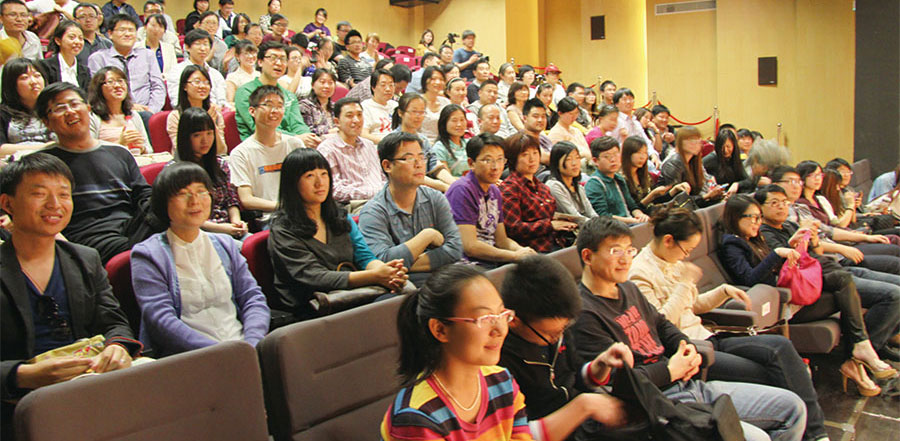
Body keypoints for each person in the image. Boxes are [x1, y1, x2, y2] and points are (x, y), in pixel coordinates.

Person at [571, 216, 807, 441]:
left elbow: (661, 324)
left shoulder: (627, 288)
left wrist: (686, 347)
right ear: (588, 256)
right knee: (757, 437)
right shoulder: (584, 313)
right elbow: (618, 384)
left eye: (629, 250)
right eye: (616, 251)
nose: (625, 259)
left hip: (688, 383)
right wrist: (669, 371)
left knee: (793, 407)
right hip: (659, 403)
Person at [631, 205, 830, 440]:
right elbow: (660, 324)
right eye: (687, 250)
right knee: (771, 373)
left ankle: (816, 433)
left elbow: (692, 305)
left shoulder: (672, 260)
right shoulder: (640, 273)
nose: (686, 256)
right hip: (691, 348)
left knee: (781, 346)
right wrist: (684, 283)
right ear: (668, 241)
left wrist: (723, 291)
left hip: (708, 335)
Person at [0, 153, 142, 441]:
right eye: (40, 194)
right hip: (17, 404)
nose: (55, 204)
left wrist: (117, 347)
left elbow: (114, 322)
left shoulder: (85, 259)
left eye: (64, 194)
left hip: (88, 388)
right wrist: (22, 375)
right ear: (7, 203)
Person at [754, 185, 899, 390]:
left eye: (784, 202)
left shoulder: (788, 225)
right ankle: (859, 355)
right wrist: (794, 244)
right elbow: (787, 267)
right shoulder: (765, 233)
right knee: (893, 295)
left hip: (836, 270)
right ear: (760, 208)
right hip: (823, 280)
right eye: (774, 203)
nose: (781, 207)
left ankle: (869, 350)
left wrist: (813, 241)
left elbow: (817, 253)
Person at [381, 265, 538, 441]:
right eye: (485, 319)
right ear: (440, 330)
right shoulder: (416, 417)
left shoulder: (502, 381)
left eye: (501, 314)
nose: (500, 330)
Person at [499, 255, 647, 440]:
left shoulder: (558, 331)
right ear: (514, 320)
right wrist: (582, 407)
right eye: (551, 334)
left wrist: (600, 364)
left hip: (581, 426)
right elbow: (512, 435)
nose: (558, 338)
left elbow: (573, 378)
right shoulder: (499, 362)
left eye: (563, 329)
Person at [129, 162, 268, 357]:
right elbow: (161, 320)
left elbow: (252, 298)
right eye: (183, 194)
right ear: (164, 203)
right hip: (189, 357)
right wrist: (221, 353)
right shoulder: (148, 255)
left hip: (242, 348)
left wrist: (252, 343)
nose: (195, 201)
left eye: (201, 192)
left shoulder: (226, 244)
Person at [267, 148, 408, 319]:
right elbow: (315, 277)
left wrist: (387, 272)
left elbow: (364, 256)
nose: (320, 183)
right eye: (309, 176)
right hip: (310, 308)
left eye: (324, 174)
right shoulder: (283, 230)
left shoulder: (339, 216)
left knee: (405, 295)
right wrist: (374, 276)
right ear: (292, 183)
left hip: (352, 295)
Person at [38, 82, 159, 264]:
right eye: (60, 108)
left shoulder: (119, 153)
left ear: (88, 109)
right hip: (86, 236)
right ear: (46, 122)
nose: (70, 111)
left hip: (131, 228)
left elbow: (143, 195)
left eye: (74, 104)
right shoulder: (43, 164)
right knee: (153, 247)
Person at [358, 132, 462, 286]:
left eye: (421, 157)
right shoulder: (373, 212)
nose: (419, 164)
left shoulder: (435, 198)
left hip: (440, 275)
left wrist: (405, 263)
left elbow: (455, 249)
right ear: (387, 166)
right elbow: (383, 263)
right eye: (409, 158)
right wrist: (427, 235)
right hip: (405, 283)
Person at [446, 133, 536, 267]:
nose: (495, 167)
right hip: (465, 264)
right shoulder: (462, 190)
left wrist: (522, 251)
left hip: (491, 260)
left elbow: (501, 240)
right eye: (488, 160)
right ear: (471, 163)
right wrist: (514, 256)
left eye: (500, 159)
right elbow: (470, 246)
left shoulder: (494, 191)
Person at [230, 85, 306, 219]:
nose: (275, 111)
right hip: (270, 217)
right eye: (268, 105)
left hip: (300, 212)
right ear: (252, 111)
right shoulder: (240, 153)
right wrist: (284, 206)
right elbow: (246, 199)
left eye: (279, 106)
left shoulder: (295, 144)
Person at [171, 107, 245, 238]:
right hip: (199, 233)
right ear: (185, 137)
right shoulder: (176, 172)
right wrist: (223, 229)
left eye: (209, 133)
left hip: (229, 227)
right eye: (197, 135)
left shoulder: (220, 164)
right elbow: (185, 216)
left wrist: (237, 222)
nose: (205, 140)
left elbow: (231, 200)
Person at [500, 132, 577, 253]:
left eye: (535, 153)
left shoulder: (542, 187)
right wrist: (550, 225)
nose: (532, 159)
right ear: (513, 159)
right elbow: (513, 228)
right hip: (533, 251)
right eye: (525, 155)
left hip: (557, 245)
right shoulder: (509, 188)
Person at [234, 41, 318, 146]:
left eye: (283, 59)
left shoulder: (289, 95)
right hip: (259, 147)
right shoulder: (246, 92)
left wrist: (308, 137)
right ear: (260, 62)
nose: (278, 63)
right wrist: (296, 139)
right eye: (273, 58)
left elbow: (298, 124)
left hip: (290, 147)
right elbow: (260, 128)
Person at [88, 14, 164, 113]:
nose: (127, 34)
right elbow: (98, 92)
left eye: (131, 30)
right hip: (114, 112)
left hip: (146, 111)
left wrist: (151, 110)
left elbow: (158, 87)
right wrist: (128, 108)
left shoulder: (147, 55)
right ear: (110, 34)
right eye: (122, 30)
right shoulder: (98, 58)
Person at [316, 97, 386, 205]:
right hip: (354, 205)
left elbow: (383, 177)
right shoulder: (327, 149)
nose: (356, 120)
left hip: (381, 200)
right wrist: (372, 193)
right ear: (337, 122)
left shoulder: (369, 145)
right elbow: (334, 189)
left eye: (359, 115)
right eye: (350, 116)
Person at [584, 136, 650, 224]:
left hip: (630, 223)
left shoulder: (619, 179)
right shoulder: (594, 184)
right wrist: (632, 221)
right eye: (607, 156)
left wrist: (640, 215)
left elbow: (632, 206)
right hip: (613, 228)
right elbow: (602, 216)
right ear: (595, 161)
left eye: (615, 154)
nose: (613, 159)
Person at [391, 92, 448, 193]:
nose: (418, 116)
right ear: (400, 113)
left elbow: (434, 165)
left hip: (428, 187)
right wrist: (444, 186)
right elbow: (411, 173)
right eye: (414, 112)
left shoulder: (423, 139)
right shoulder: (393, 140)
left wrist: (454, 184)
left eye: (422, 112)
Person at [87, 66, 150, 154]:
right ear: (99, 88)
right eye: (110, 82)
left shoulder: (133, 115)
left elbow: (149, 149)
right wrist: (120, 144)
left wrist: (142, 148)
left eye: (120, 81)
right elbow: (91, 153)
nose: (117, 86)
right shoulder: (92, 118)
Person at [166, 64, 227, 155]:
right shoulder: (176, 116)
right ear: (184, 86)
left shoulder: (214, 113)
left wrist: (213, 124)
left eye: (206, 82)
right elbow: (181, 150)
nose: (202, 86)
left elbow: (221, 151)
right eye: (197, 82)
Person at [657, 126, 725, 207]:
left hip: (693, 204)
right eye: (692, 141)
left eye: (699, 140)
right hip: (673, 207)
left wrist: (714, 190)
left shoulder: (695, 161)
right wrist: (707, 196)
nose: (697, 144)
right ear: (681, 142)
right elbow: (678, 198)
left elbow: (704, 184)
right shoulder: (673, 163)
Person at [0, 58, 55, 158]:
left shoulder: (55, 108)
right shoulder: (2, 113)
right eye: (24, 77)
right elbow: (1, 149)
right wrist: (46, 147)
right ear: (11, 84)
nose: (34, 81)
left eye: (37, 75)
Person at [546, 141, 597, 220]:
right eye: (568, 159)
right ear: (556, 163)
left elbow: (591, 213)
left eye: (577, 158)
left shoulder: (577, 186)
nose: (574, 163)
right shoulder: (554, 186)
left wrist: (601, 223)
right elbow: (575, 217)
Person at [612, 88, 656, 172]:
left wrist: (653, 154)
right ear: (616, 104)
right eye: (624, 99)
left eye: (631, 99)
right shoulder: (615, 121)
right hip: (623, 159)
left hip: (639, 156)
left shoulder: (636, 122)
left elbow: (645, 141)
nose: (629, 102)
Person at [39, 20, 90, 90]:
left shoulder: (85, 71)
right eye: (72, 37)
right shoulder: (45, 66)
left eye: (81, 38)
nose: (77, 42)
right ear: (58, 41)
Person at [703, 128, 752, 197]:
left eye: (728, 147)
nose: (725, 150)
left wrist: (737, 184)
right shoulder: (711, 159)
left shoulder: (735, 158)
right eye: (722, 147)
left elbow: (748, 181)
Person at [430, 104, 469, 184]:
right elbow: (447, 178)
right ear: (444, 123)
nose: (459, 124)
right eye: (454, 120)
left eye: (462, 120)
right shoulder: (439, 148)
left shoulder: (469, 143)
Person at [360, 68, 397, 144]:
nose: (388, 89)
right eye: (383, 85)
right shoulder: (365, 106)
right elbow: (363, 134)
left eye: (391, 85)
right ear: (373, 87)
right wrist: (387, 143)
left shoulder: (396, 105)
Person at [298, 68, 337, 136]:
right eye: (322, 82)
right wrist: (330, 131)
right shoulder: (304, 106)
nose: (327, 86)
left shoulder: (335, 107)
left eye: (330, 83)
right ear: (313, 85)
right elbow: (307, 131)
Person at [139, 13, 177, 80]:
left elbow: (174, 71)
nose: (156, 29)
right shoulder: (136, 47)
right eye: (153, 25)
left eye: (160, 26)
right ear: (145, 27)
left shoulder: (169, 48)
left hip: (164, 82)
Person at [419, 65, 449, 143]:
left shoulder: (446, 102)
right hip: (421, 142)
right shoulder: (417, 101)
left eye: (441, 79)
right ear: (425, 80)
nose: (438, 82)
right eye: (433, 79)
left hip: (442, 143)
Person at [521, 98, 553, 164]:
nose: (540, 120)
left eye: (543, 116)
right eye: (536, 116)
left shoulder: (543, 138)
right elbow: (545, 158)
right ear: (524, 118)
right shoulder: (522, 139)